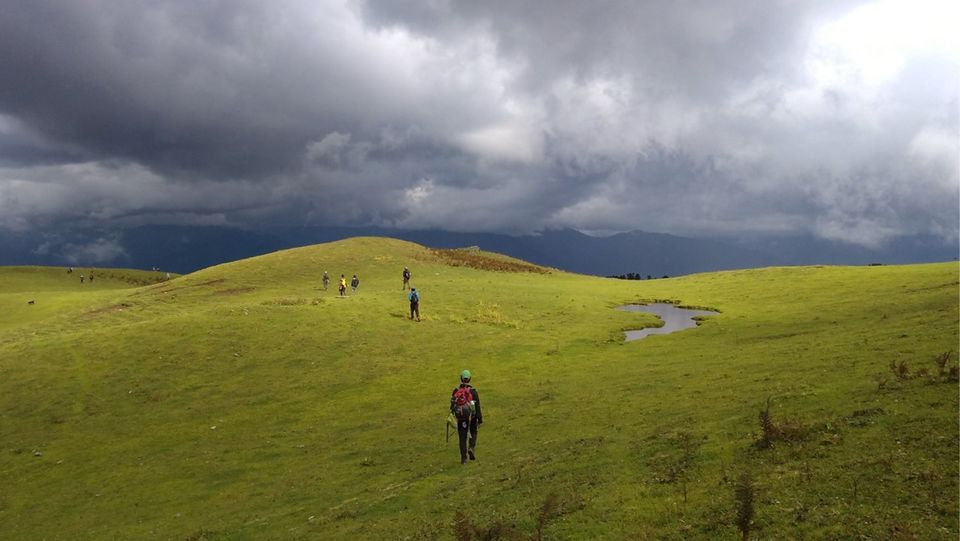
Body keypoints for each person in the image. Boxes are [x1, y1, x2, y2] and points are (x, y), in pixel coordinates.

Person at [450, 370, 483, 464]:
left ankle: (463, 458)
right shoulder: (473, 392)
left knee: (462, 437)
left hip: (461, 418)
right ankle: (471, 447)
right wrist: (479, 419)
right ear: (470, 379)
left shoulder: (456, 391)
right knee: (473, 431)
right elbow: (477, 407)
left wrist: (453, 414)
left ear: (461, 378)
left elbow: (452, 405)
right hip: (471, 417)